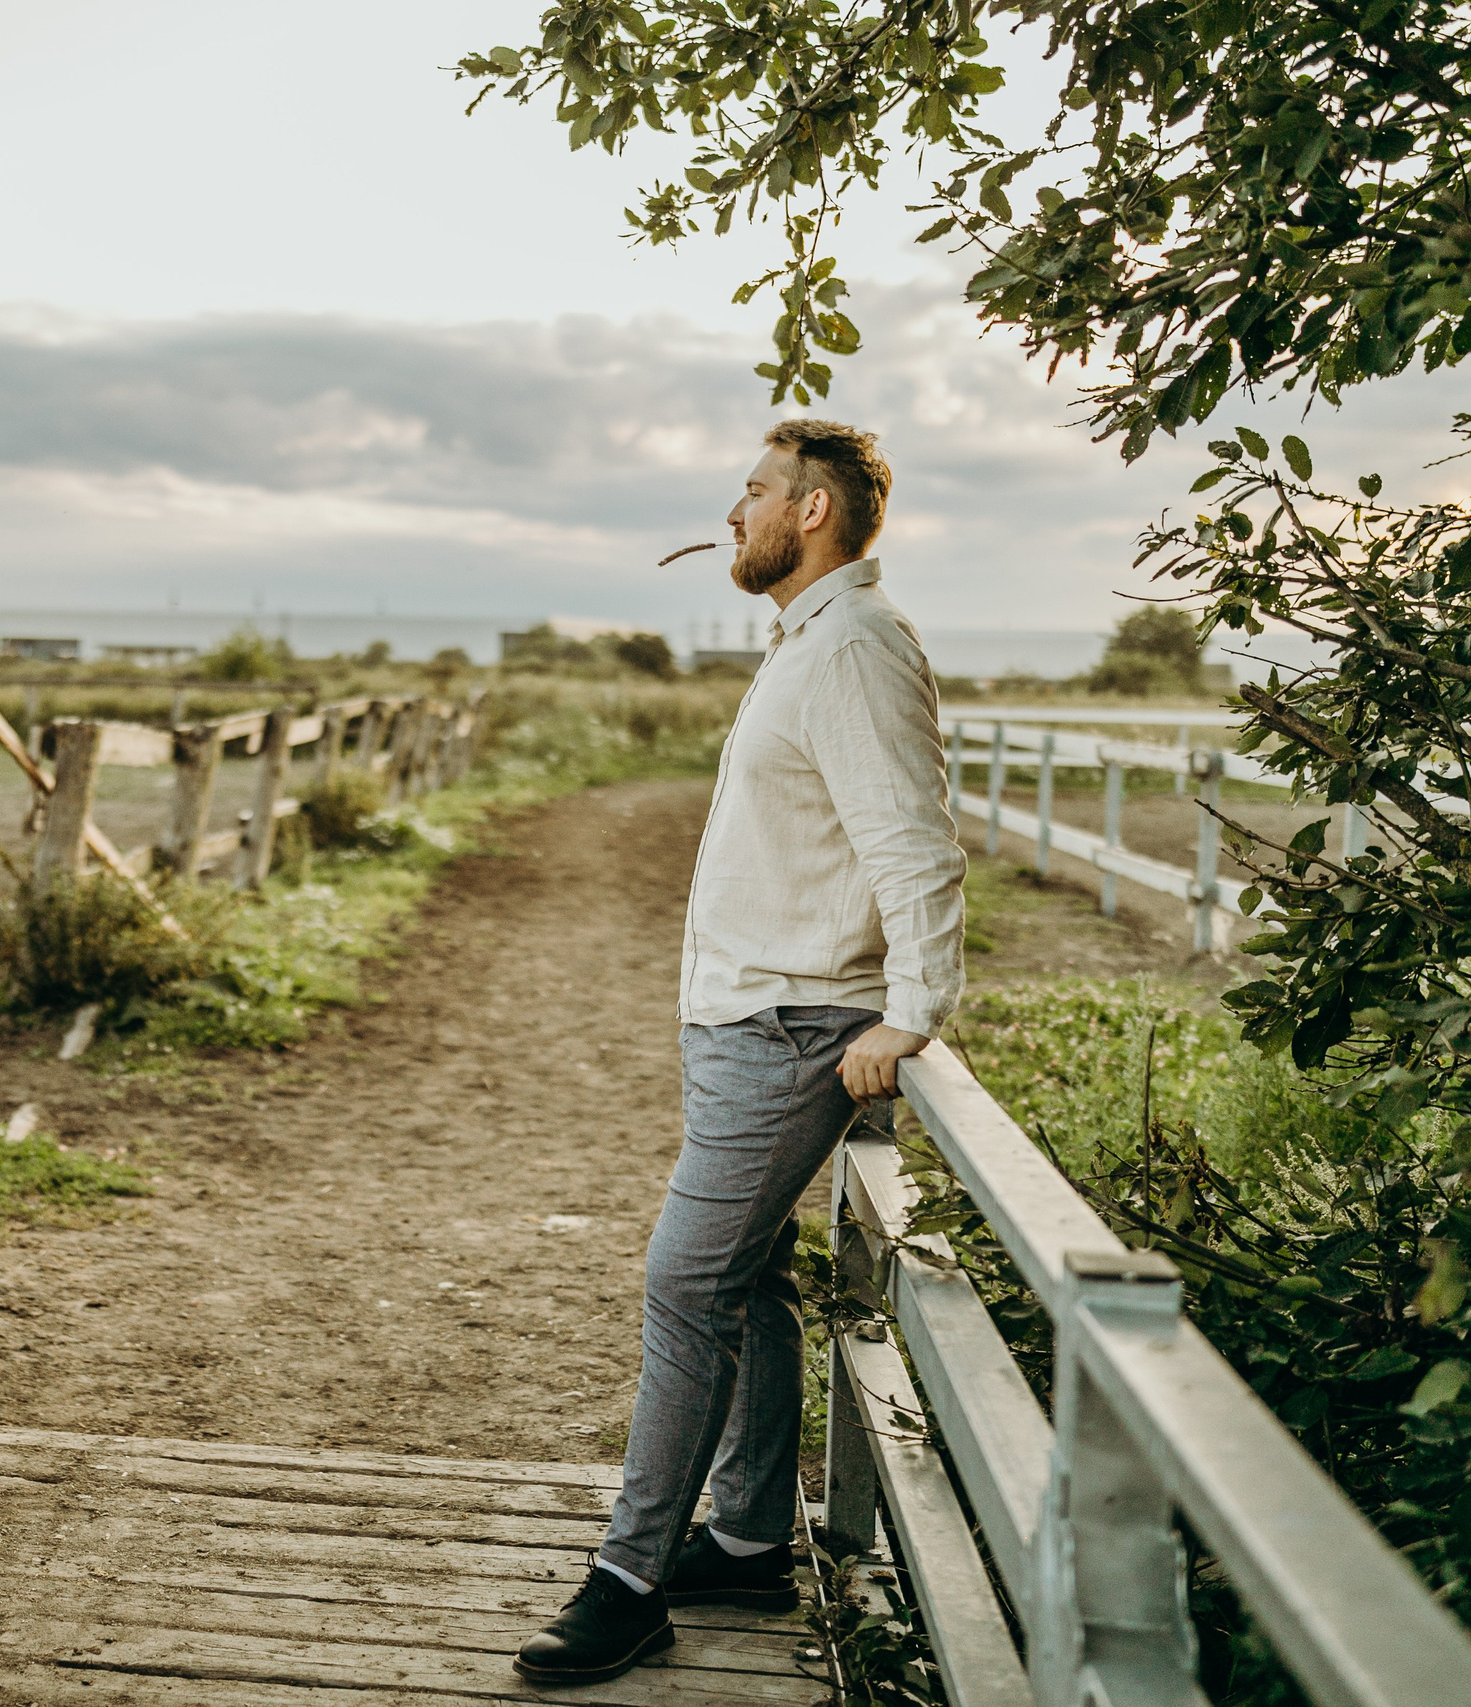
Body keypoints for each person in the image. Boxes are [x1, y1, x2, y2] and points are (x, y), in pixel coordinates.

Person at [515, 421, 965, 1686]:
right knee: (750, 1281)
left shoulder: (857, 651)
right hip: (745, 1020)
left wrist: (912, 1010)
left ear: (812, 511)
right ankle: (753, 1536)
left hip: (793, 1027)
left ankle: (629, 1580)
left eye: (755, 490)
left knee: (684, 1285)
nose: (732, 509)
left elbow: (917, 846)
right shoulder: (808, 643)